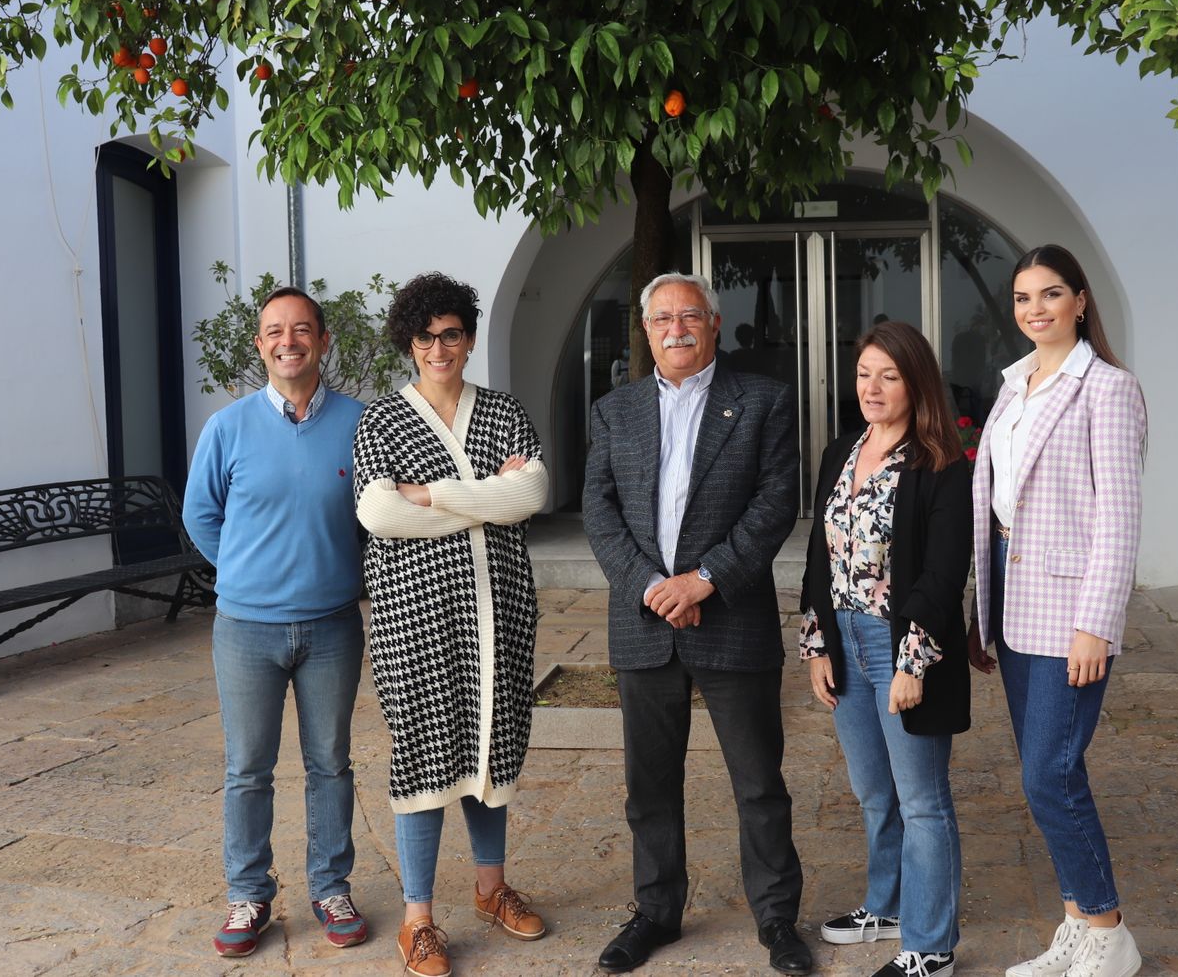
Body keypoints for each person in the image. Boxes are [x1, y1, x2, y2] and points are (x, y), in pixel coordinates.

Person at [583, 272, 813, 976]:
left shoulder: (765, 401)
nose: (676, 329)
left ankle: (776, 919)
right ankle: (656, 912)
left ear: (714, 323)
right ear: (646, 330)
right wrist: (653, 587)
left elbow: (776, 502)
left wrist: (704, 579)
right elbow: (599, 510)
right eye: (662, 319)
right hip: (644, 621)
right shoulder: (614, 411)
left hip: (731, 617)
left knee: (758, 783)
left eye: (690, 316)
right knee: (649, 787)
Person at [351, 272, 550, 977]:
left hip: (499, 610)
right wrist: (486, 496)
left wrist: (430, 495)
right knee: (424, 749)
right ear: (409, 344)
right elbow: (378, 513)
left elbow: (532, 493)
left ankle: (492, 890)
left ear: (467, 339)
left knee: (491, 745)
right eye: (425, 337)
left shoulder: (501, 411)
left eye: (451, 335)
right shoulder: (382, 420)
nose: (439, 349)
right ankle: (418, 920)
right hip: (414, 615)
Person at [967, 245, 1146, 977]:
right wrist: (979, 606)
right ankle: (1077, 924)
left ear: (1080, 301)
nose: (1034, 309)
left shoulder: (1108, 389)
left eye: (1049, 294)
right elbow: (999, 505)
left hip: (1070, 609)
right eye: (1022, 297)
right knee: (1041, 773)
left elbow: (1119, 519)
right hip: (1013, 600)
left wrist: (1096, 623)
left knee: (1052, 774)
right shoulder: (1015, 385)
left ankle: (1109, 933)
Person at [183, 287, 369, 958]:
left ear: (322, 341)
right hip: (246, 630)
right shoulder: (227, 428)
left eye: (301, 329)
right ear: (260, 345)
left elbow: (377, 514)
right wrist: (245, 571)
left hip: (332, 626)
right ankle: (248, 893)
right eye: (274, 331)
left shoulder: (360, 423)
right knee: (247, 768)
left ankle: (331, 887)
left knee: (330, 764)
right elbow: (200, 515)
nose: (288, 341)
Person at [800, 320, 972, 977]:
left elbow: (943, 575)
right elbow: (819, 556)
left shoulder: (940, 466)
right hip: (844, 640)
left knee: (922, 800)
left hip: (901, 646)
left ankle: (930, 947)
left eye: (889, 376)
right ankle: (888, 904)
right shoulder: (841, 452)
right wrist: (817, 644)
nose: (872, 388)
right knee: (874, 791)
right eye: (864, 373)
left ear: (916, 383)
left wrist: (911, 661)